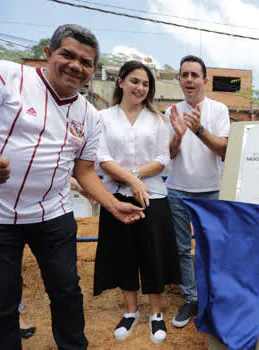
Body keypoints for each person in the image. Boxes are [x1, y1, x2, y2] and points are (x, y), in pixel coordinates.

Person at [0, 24, 144, 350]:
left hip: (53, 214)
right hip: (1, 217)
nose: (75, 66)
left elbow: (85, 170)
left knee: (66, 292)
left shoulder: (89, 115)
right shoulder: (9, 77)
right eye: (67, 55)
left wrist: (111, 203)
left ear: (93, 70)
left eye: (86, 62)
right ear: (49, 54)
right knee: (3, 299)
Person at [93, 60, 181, 344]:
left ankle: (156, 313)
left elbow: (162, 160)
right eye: (134, 81)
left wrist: (132, 176)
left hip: (152, 197)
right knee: (123, 254)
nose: (140, 88)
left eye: (145, 84)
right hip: (115, 197)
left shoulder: (157, 119)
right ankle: (131, 311)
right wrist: (132, 181)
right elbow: (101, 157)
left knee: (152, 255)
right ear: (120, 82)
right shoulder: (103, 117)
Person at [166, 55, 230, 328]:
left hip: (211, 190)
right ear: (179, 80)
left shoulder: (219, 109)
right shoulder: (171, 112)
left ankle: (212, 298)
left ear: (204, 80)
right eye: (185, 75)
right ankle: (191, 298)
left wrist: (199, 129)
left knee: (211, 248)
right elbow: (166, 155)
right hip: (177, 190)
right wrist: (179, 135)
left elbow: (224, 150)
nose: (189, 80)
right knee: (182, 249)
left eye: (194, 75)